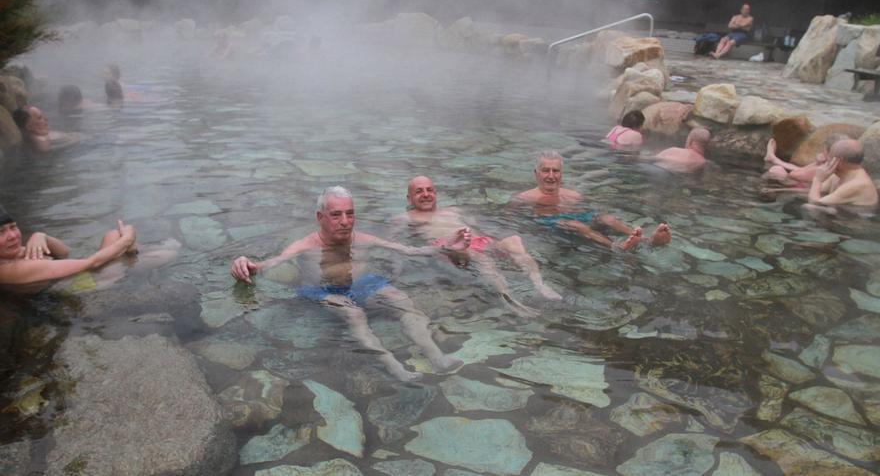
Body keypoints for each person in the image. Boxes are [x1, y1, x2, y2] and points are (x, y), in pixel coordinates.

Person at [230, 186, 469, 381]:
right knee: (353, 314)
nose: (345, 221)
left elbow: (411, 250)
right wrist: (246, 265)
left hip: (361, 284)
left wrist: (447, 245)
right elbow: (270, 263)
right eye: (336, 215)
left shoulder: (363, 239)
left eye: (350, 213)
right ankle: (396, 369)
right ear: (320, 217)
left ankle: (437, 358)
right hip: (321, 290)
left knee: (404, 301)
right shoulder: (306, 244)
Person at [394, 176, 562, 317]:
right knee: (481, 258)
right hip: (451, 249)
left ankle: (540, 285)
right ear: (409, 198)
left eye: (429, 190)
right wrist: (398, 264)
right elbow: (392, 241)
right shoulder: (405, 218)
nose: (426, 194)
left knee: (514, 240)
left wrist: (495, 246)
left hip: (478, 241)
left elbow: (479, 227)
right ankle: (509, 299)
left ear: (435, 193)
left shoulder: (453, 210)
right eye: (419, 191)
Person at [0, 206, 178, 294]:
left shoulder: (14, 253)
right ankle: (132, 255)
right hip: (84, 286)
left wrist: (41, 235)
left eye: (13, 227)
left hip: (83, 275)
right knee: (170, 251)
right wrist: (127, 240)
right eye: (1, 232)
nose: (13, 236)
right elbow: (91, 263)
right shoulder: (8, 269)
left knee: (112, 235)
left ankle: (132, 255)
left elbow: (63, 253)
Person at [513, 151, 671, 250]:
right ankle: (616, 246)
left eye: (556, 171)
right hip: (550, 224)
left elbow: (589, 212)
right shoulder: (524, 198)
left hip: (576, 220)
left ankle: (646, 240)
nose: (551, 176)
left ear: (562, 173)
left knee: (606, 218)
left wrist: (597, 220)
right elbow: (510, 219)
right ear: (536, 173)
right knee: (576, 225)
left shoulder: (573, 195)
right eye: (546, 170)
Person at [808, 139, 878, 208]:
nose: (826, 159)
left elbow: (814, 203)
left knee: (808, 207)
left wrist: (817, 179)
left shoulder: (857, 185)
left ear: (837, 160)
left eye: (829, 156)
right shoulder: (837, 176)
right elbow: (816, 191)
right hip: (840, 213)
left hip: (855, 217)